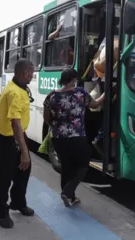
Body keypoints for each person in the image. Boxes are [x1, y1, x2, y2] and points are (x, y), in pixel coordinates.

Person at [43, 68, 105, 207]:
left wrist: (55, 126)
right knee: (83, 165)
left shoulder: (52, 96)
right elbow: (95, 104)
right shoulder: (80, 93)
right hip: (77, 137)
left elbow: (46, 117)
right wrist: (105, 95)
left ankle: (70, 197)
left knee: (66, 167)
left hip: (58, 138)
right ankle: (68, 192)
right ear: (72, 81)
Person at [0, 58, 35, 229]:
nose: (32, 75)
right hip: (8, 140)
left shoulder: (16, 87)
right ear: (25, 73)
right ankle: (1, 211)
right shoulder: (15, 92)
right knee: (5, 177)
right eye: (31, 72)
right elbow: (15, 123)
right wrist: (23, 151)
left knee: (24, 172)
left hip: (17, 136)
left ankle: (18, 202)